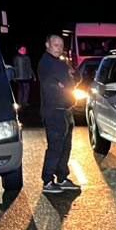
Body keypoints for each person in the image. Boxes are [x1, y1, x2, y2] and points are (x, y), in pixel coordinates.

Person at [38, 34, 79, 193]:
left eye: (61, 45)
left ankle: (62, 177)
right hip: (54, 111)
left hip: (66, 110)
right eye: (55, 45)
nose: (59, 48)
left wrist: (68, 81)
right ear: (47, 44)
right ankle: (48, 181)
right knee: (55, 147)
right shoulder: (47, 63)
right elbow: (67, 82)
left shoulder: (60, 63)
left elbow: (75, 79)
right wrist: (67, 81)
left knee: (65, 147)